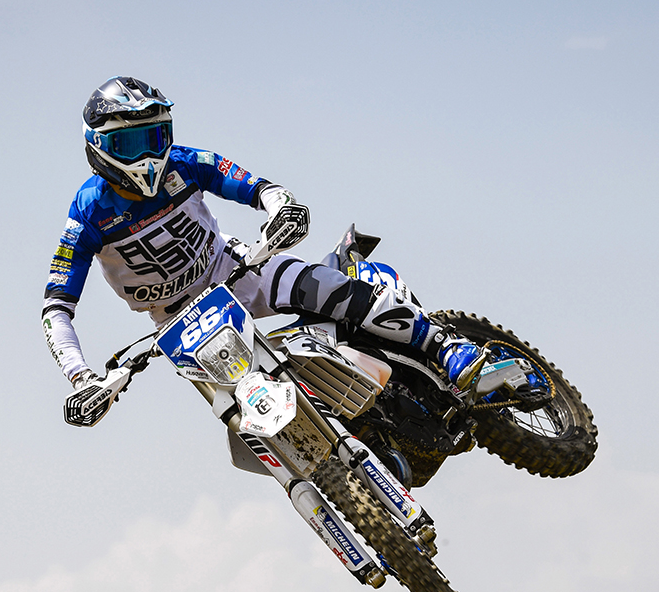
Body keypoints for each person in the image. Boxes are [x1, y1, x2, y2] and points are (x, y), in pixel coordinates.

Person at [43, 76, 486, 394]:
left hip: (236, 271)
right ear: (98, 147)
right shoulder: (87, 214)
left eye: (156, 137)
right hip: (179, 325)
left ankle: (444, 345)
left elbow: (257, 187)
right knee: (245, 402)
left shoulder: (186, 162)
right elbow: (56, 308)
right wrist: (82, 377)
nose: (149, 155)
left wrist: (281, 207)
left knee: (325, 288)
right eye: (129, 144)